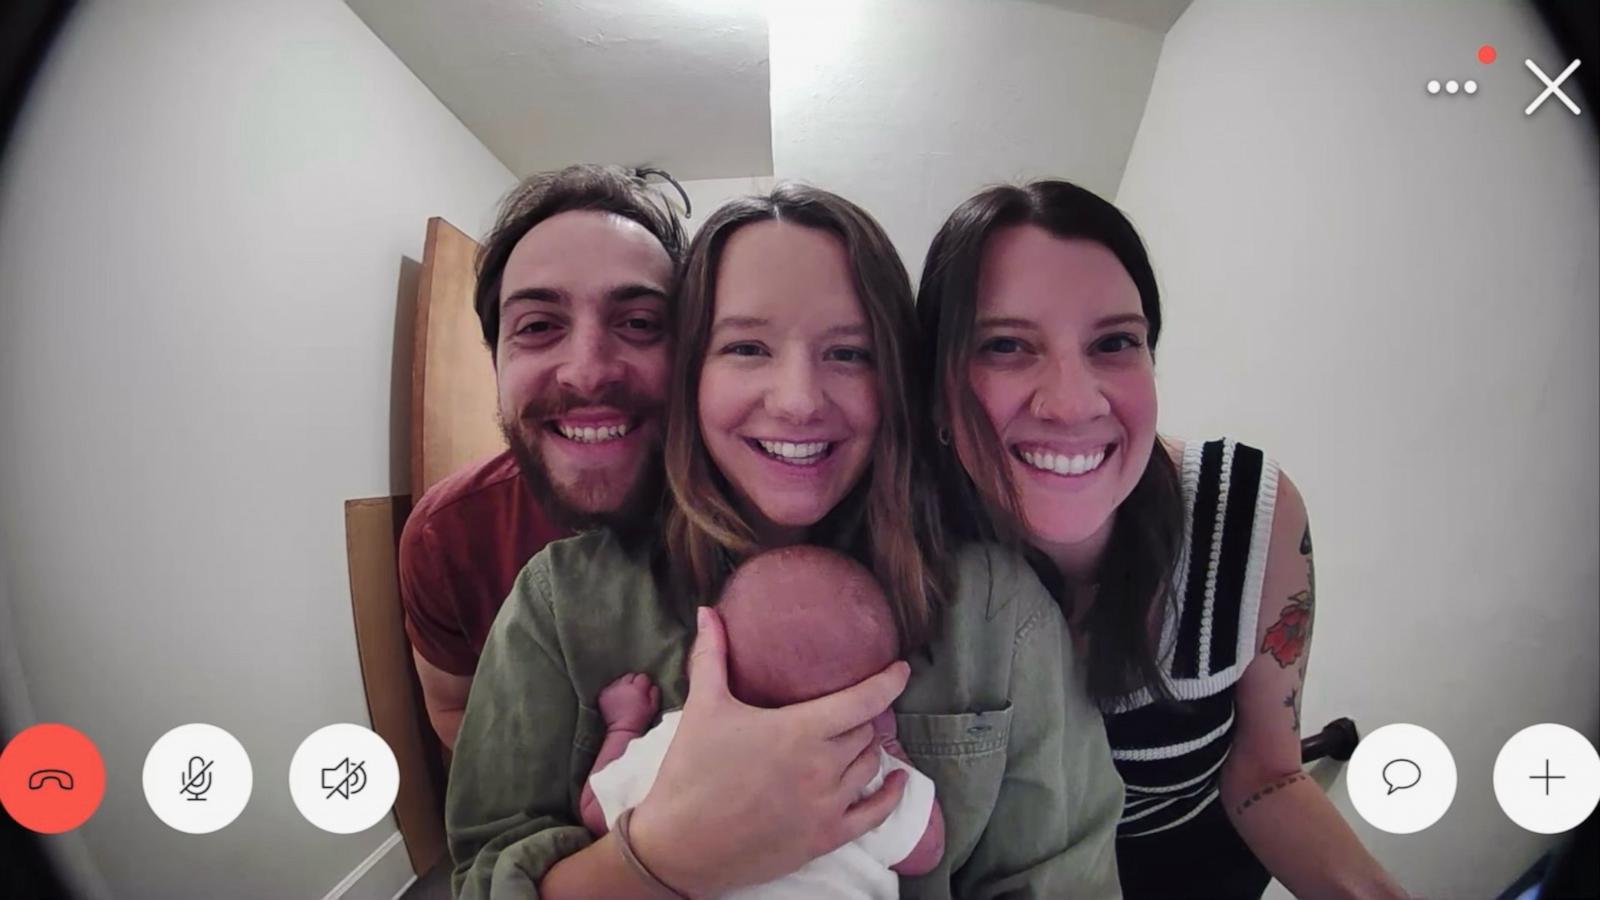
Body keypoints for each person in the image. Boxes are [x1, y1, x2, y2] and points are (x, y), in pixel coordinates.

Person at [446, 184, 1123, 899]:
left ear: (896, 379)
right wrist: (661, 859)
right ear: (690, 376)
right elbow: (484, 874)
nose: (798, 398)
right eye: (745, 346)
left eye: (850, 353)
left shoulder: (996, 613)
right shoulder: (562, 606)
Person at [915, 179, 1408, 899]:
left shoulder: (1249, 515)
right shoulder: (905, 554)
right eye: (1006, 345)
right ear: (936, 386)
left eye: (1115, 342)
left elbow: (1266, 776)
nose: (1074, 402)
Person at [396, 164, 685, 749]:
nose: (587, 370)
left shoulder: (756, 511)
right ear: (495, 360)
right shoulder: (446, 536)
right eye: (538, 325)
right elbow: (454, 708)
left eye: (639, 322)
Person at [577, 545, 945, 896]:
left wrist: (624, 726)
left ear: (705, 655)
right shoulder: (859, 770)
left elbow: (595, 809)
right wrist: (890, 747)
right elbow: (928, 848)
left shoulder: (680, 747)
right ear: (869, 703)